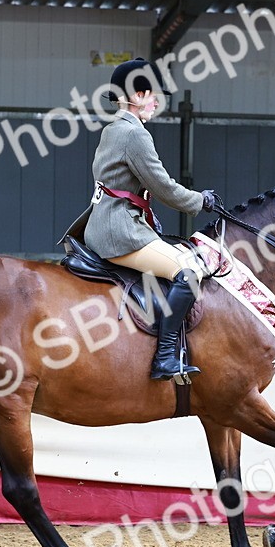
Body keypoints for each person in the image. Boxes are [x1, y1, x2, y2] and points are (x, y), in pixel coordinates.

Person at [63, 58, 221, 381]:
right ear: (136, 96)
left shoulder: (112, 129)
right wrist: (200, 200)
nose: (156, 102)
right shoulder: (135, 135)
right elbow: (163, 187)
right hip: (121, 233)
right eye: (151, 95)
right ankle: (164, 358)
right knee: (189, 272)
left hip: (100, 227)